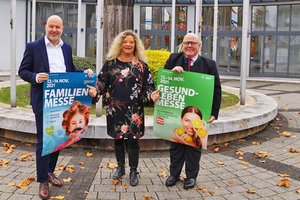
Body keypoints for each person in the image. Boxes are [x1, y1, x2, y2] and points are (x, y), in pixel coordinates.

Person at [18, 15, 93, 199]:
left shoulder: (66, 48)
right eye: (51, 26)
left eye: (57, 27)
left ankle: (50, 171)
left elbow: (70, 71)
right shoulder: (34, 47)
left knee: (58, 139)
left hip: (62, 102)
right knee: (43, 141)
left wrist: (85, 73)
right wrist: (35, 77)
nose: (54, 30)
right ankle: (43, 180)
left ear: (62, 28)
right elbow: (23, 71)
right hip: (43, 101)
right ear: (45, 26)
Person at [87, 30, 159, 187]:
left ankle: (134, 170)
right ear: (120, 44)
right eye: (125, 41)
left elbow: (148, 85)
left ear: (135, 45)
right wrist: (95, 91)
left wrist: (151, 95)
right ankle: (120, 168)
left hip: (134, 110)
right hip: (115, 109)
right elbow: (101, 82)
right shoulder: (110, 64)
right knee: (118, 140)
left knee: (133, 141)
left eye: (131, 42)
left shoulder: (141, 65)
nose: (128, 44)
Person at [164, 33, 221, 190]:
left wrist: (214, 112)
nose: (189, 46)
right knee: (176, 146)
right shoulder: (173, 59)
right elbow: (163, 81)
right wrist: (171, 72)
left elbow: (216, 89)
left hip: (197, 114)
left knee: (194, 147)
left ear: (199, 46)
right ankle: (174, 175)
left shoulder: (209, 64)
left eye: (193, 43)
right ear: (182, 45)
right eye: (186, 43)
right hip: (179, 111)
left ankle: (191, 177)